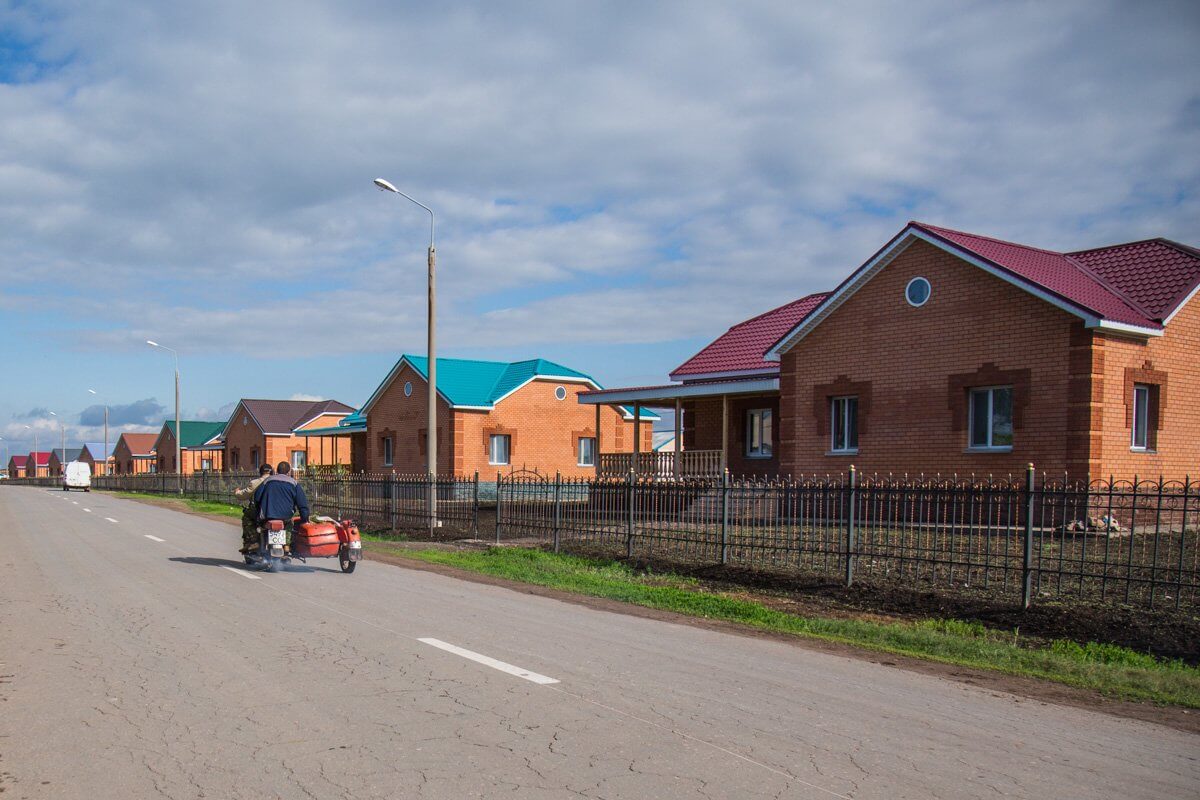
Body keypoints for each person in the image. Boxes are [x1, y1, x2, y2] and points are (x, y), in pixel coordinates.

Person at [253, 461, 311, 552]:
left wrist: (258, 509)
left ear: (276, 470)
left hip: (267, 515)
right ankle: (287, 545)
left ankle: (262, 545)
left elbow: (256, 497)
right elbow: (302, 504)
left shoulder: (268, 481)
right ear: (288, 472)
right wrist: (305, 518)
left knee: (261, 527)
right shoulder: (294, 483)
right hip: (286, 516)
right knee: (289, 525)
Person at [235, 464, 274, 554]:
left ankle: (253, 540)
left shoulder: (255, 482)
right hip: (277, 510)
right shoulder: (277, 481)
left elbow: (243, 495)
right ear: (271, 472)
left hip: (260, 510)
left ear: (260, 472)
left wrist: (237, 492)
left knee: (247, 518)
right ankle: (287, 544)